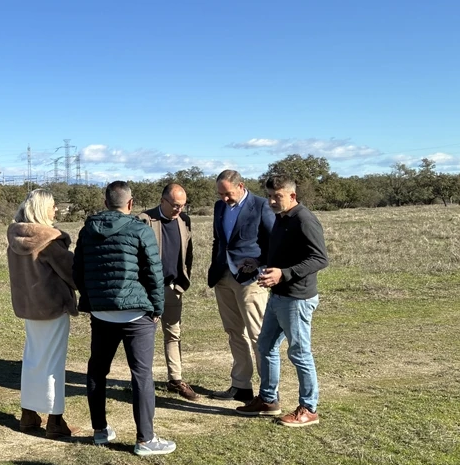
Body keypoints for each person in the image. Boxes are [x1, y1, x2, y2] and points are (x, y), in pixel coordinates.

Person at [74, 181, 175, 456]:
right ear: (130, 204)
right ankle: (145, 439)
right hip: (136, 313)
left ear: (106, 203)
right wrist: (157, 308)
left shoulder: (87, 231)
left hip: (101, 312)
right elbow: (154, 272)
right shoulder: (140, 229)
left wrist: (93, 298)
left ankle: (99, 430)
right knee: (141, 374)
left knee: (97, 370)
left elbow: (78, 271)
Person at [236, 175, 329, 427]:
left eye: (278, 196)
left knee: (299, 353)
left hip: (297, 298)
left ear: (292, 196)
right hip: (277, 296)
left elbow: (320, 258)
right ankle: (268, 401)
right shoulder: (281, 218)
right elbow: (279, 251)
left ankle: (309, 408)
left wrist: (283, 274)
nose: (272, 201)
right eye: (269, 196)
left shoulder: (304, 219)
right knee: (265, 346)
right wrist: (260, 261)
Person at [6, 189, 78, 440]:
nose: (56, 210)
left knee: (33, 359)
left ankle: (29, 414)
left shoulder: (15, 238)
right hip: (52, 307)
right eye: (53, 206)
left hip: (29, 307)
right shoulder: (49, 241)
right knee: (53, 364)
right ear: (41, 208)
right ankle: (55, 420)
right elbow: (73, 273)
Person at [207, 170, 275, 402]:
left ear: (241, 186)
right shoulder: (219, 207)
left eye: (227, 193)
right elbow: (219, 240)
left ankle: (268, 394)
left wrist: (260, 263)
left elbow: (273, 240)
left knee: (258, 335)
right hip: (224, 276)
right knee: (234, 332)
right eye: (220, 194)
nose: (224, 198)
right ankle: (241, 385)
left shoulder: (261, 206)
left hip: (251, 279)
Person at [137, 183, 198, 400]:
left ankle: (176, 379)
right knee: (144, 336)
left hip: (173, 288)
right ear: (162, 201)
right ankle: (142, 383)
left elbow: (188, 254)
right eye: (175, 205)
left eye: (183, 205)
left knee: (173, 334)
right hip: (147, 291)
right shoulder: (144, 220)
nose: (179, 209)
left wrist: (182, 283)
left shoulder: (184, 220)